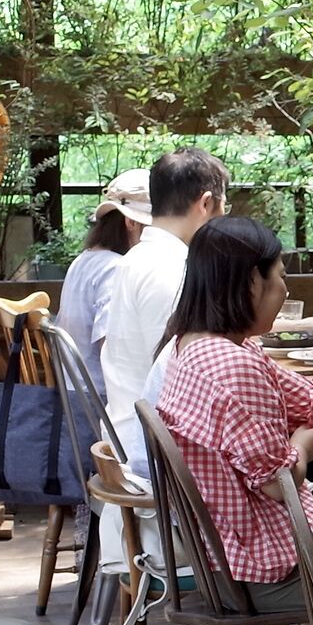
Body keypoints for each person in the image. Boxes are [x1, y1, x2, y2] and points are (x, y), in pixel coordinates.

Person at [146, 217, 313, 606]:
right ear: (252, 281)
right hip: (267, 570)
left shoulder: (199, 344)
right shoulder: (232, 366)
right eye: (281, 277)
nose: (285, 289)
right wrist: (304, 443)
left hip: (228, 557)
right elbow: (276, 483)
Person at [99, 147, 227, 441]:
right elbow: (180, 381)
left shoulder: (139, 256)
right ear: (206, 204)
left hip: (127, 432)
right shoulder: (169, 269)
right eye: (223, 209)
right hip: (154, 454)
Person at [54, 169, 145, 366]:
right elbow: (111, 350)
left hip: (73, 388)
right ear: (132, 222)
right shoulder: (115, 268)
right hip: (99, 393)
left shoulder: (84, 260)